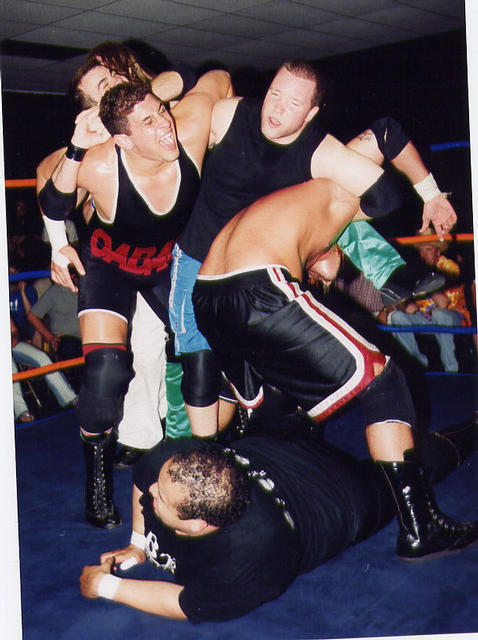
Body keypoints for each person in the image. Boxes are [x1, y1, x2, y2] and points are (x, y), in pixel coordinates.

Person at [190, 176, 476, 560]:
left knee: (270, 399)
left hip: (207, 295)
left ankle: (210, 489)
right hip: (259, 285)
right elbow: (382, 152)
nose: (327, 279)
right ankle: (421, 528)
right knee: (383, 380)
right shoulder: (334, 199)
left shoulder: (274, 204)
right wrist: (429, 192)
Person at [169, 60, 457, 436]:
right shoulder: (229, 115)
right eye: (274, 94)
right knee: (200, 361)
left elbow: (385, 187)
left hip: (261, 270)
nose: (276, 109)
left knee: (258, 374)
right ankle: (201, 451)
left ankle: (240, 441)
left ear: (311, 113)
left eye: (293, 103)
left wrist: (324, 228)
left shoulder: (320, 150)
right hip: (198, 261)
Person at [37, 69, 232, 529]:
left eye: (162, 113)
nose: (165, 126)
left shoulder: (188, 128)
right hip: (109, 268)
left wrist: (227, 144)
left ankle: (209, 464)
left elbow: (218, 78)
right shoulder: (102, 163)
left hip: (165, 263)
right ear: (122, 140)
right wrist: (77, 151)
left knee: (206, 348)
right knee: (106, 372)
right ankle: (97, 481)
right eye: (148, 122)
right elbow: (53, 200)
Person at [79, 407, 478, 622]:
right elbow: (144, 477)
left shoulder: (250, 557)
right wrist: (137, 544)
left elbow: (187, 605)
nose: (150, 492)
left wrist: (107, 587)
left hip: (341, 497)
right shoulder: (176, 463)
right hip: (275, 450)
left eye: (161, 498)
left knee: (411, 468)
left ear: (198, 523)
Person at [386, 228, 472, 372]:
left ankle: (451, 369)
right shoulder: (417, 268)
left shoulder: (447, 266)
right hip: (427, 317)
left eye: (428, 249)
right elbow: (402, 298)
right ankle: (416, 363)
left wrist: (425, 286)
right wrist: (407, 304)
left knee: (440, 314)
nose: (423, 254)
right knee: (396, 316)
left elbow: (443, 302)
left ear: (438, 251)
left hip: (454, 315)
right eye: (421, 250)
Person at [11, 316, 77, 422]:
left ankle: (69, 398)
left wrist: (13, 338)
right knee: (9, 366)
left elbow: (14, 330)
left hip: (11, 344)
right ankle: (20, 410)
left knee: (42, 357)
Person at [27, 274, 82, 362]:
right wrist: (50, 338)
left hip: (89, 338)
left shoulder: (88, 290)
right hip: (66, 338)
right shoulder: (56, 291)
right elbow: (32, 316)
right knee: (70, 350)